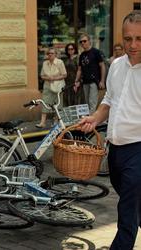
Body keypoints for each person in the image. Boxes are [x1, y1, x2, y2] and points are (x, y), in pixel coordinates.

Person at [79, 10, 141, 250]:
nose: (133, 44)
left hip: (138, 150)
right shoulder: (116, 65)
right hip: (114, 149)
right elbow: (110, 101)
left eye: (139, 38)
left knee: (126, 211)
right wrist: (95, 118)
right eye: (128, 39)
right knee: (133, 203)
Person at [74, 33, 106, 114]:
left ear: (89, 41)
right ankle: (90, 121)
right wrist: (76, 81)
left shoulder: (96, 52)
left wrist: (102, 81)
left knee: (92, 102)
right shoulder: (81, 55)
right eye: (81, 42)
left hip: (94, 81)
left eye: (84, 41)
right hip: (85, 81)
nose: (83, 43)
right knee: (87, 103)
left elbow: (102, 66)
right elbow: (79, 70)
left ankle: (91, 124)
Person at [36, 47, 67, 128]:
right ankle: (42, 122)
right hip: (47, 85)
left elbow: (64, 75)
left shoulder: (60, 62)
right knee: (45, 102)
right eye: (48, 53)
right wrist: (48, 78)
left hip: (58, 85)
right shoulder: (45, 63)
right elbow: (42, 76)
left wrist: (54, 78)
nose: (50, 55)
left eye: (52, 53)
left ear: (56, 54)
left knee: (58, 103)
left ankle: (56, 121)